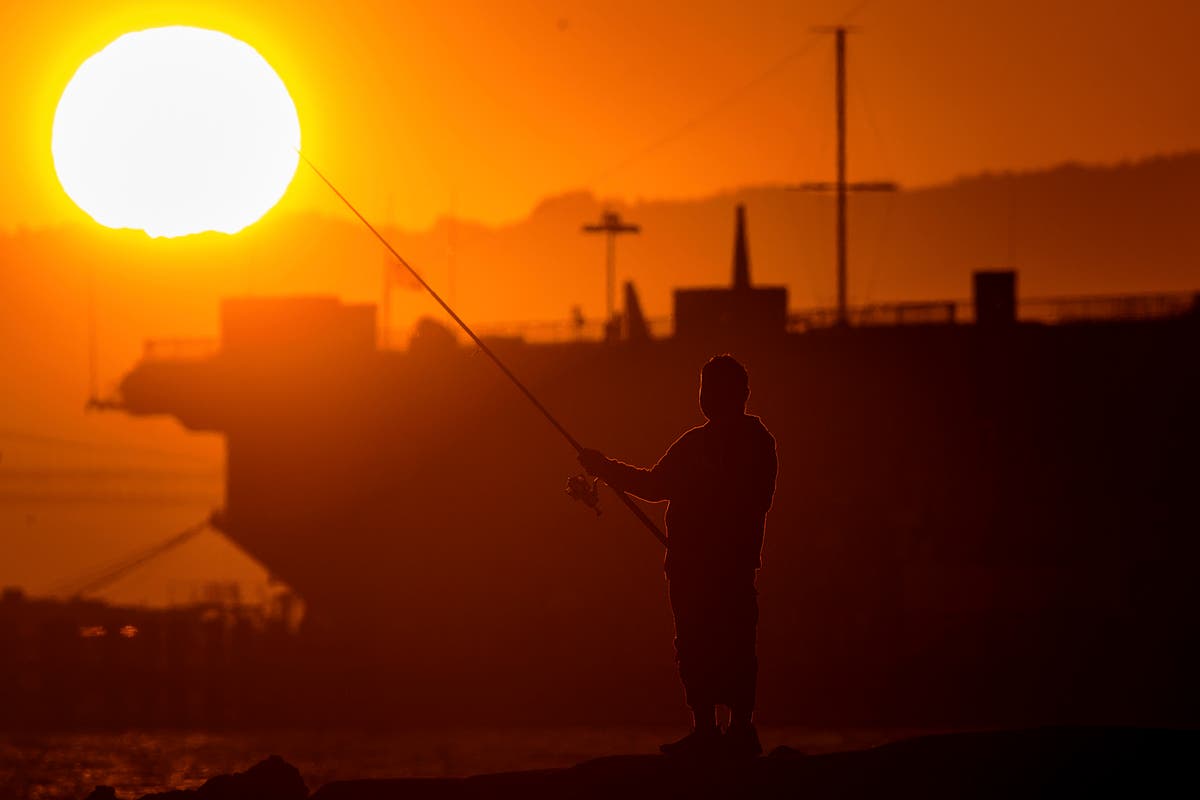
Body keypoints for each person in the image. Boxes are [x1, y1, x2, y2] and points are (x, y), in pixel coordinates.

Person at [579, 354, 778, 757]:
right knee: (693, 645)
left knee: (734, 644)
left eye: (714, 389)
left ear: (741, 394)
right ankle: (706, 730)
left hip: (728, 569)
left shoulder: (756, 444)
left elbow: (750, 500)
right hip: (688, 568)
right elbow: (655, 485)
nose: (706, 398)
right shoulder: (694, 443)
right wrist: (604, 468)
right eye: (704, 389)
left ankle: (740, 730)